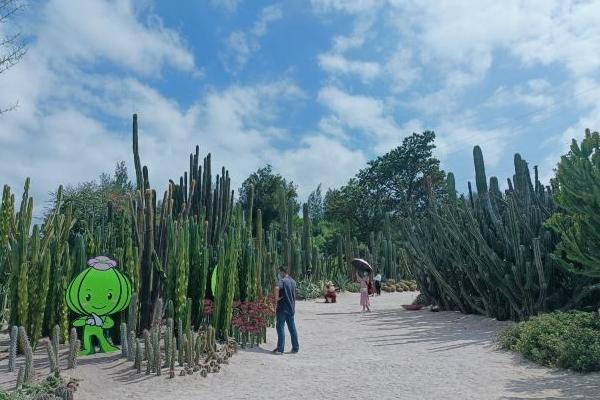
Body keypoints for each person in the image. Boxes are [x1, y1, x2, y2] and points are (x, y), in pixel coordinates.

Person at [273, 266, 299, 355]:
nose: (279, 274)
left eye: (279, 272)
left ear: (282, 272)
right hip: (291, 308)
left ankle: (280, 349)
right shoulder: (293, 281)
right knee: (292, 328)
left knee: (280, 328)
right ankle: (295, 348)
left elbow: (277, 288)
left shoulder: (282, 281)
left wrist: (276, 299)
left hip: (282, 308)